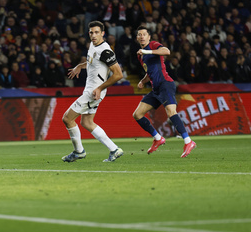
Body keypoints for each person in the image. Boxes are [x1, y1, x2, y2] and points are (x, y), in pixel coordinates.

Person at [62, 21, 124, 163]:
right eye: (91, 32)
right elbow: (93, 63)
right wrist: (80, 65)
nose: (94, 35)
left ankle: (79, 152)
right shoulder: (92, 45)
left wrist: (100, 88)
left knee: (67, 118)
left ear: (103, 33)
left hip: (93, 92)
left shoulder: (106, 51)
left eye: (97, 32)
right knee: (87, 122)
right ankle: (114, 149)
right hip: (91, 90)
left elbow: (118, 74)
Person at [132, 25, 196, 158]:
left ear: (149, 37)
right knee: (137, 114)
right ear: (137, 38)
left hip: (165, 84)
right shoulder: (140, 55)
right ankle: (158, 138)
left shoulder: (153, 45)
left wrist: (148, 52)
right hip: (155, 89)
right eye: (139, 34)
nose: (142, 36)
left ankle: (188, 141)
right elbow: (149, 71)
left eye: (144, 34)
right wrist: (143, 81)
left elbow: (166, 51)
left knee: (171, 112)